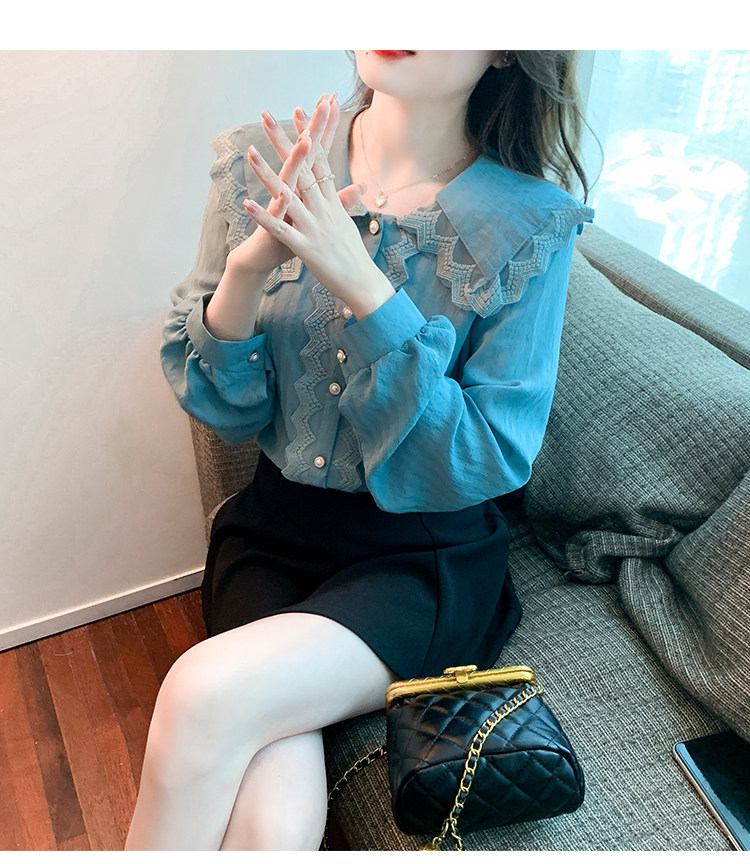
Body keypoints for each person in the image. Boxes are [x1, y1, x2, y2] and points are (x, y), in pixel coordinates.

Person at [126, 50, 595, 851]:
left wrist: (364, 287)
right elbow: (224, 412)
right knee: (272, 815)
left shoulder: (530, 223)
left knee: (204, 695)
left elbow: (490, 454)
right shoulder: (261, 161)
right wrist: (247, 271)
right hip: (273, 534)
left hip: (420, 557)